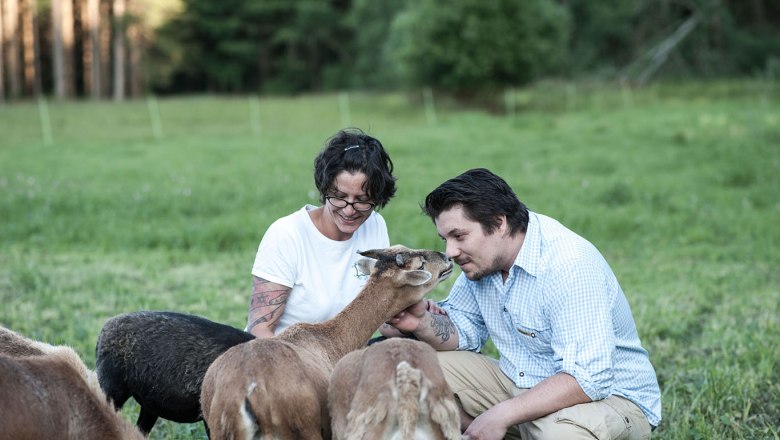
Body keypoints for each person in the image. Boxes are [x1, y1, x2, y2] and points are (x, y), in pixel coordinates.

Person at [382, 168, 662, 439]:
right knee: (408, 368)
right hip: (523, 384)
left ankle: (499, 427)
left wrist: (501, 414)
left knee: (559, 433)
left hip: (611, 399)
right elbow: (463, 331)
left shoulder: (569, 263)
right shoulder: (482, 263)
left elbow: (589, 379)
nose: (450, 252)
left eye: (460, 236)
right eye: (445, 239)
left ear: (499, 223)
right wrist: (420, 322)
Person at [246, 128, 397, 338]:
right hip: (286, 358)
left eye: (362, 200)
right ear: (324, 188)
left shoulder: (375, 225)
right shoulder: (287, 234)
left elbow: (381, 311)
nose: (349, 210)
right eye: (339, 196)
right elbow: (259, 329)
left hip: (345, 357)